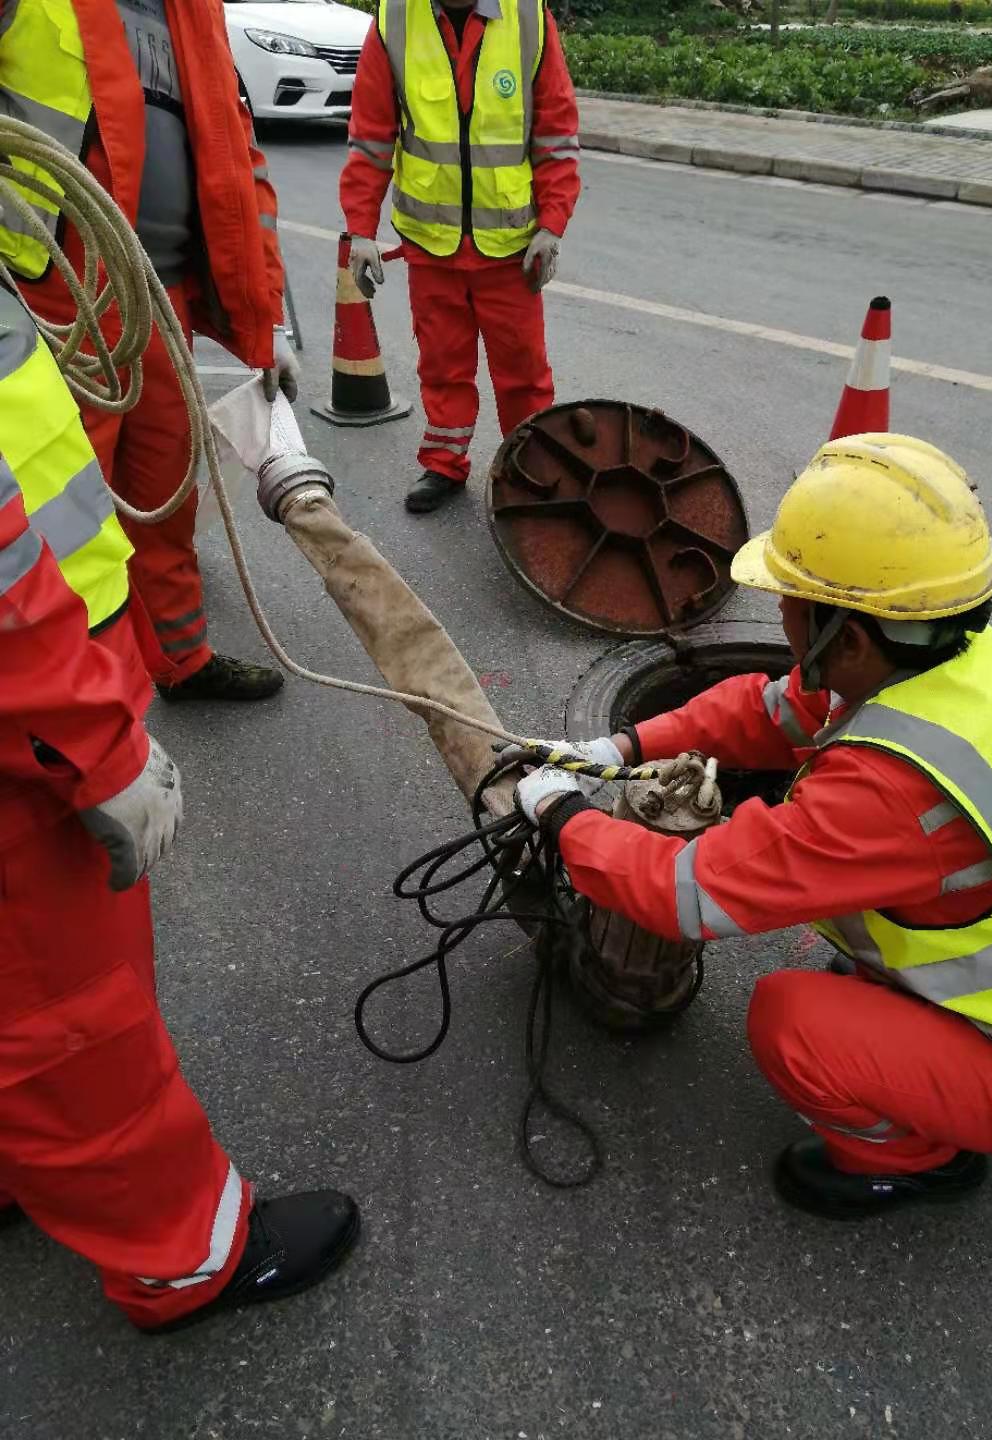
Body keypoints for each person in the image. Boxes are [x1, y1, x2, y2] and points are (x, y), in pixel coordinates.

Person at [515, 434, 992, 1221]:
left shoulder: (892, 791)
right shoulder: (953, 661)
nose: (777, 608)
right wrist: (620, 748)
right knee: (851, 979)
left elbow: (685, 893)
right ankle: (933, 1060)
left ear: (847, 636)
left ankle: (918, 1160)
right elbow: (766, 710)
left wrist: (560, 814)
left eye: (790, 595)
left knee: (793, 1024)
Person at [0, 289, 359, 1330]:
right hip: (33, 711)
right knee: (71, 1012)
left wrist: (255, 327)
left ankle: (23, 1161)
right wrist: (90, 738)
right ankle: (182, 1257)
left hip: (44, 677)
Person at [0, 0, 297, 702]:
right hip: (59, 291)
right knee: (64, 511)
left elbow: (240, 165)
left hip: (163, 294)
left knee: (165, 493)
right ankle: (69, 699)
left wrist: (271, 322)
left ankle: (180, 657)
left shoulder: (194, 12)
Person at [341, 0, 580, 515]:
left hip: (509, 248)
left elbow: (556, 136)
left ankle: (530, 468)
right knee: (443, 365)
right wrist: (360, 230)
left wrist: (552, 225)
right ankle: (444, 463)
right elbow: (371, 139)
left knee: (523, 373)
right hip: (432, 245)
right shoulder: (396, 20)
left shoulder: (528, 18)